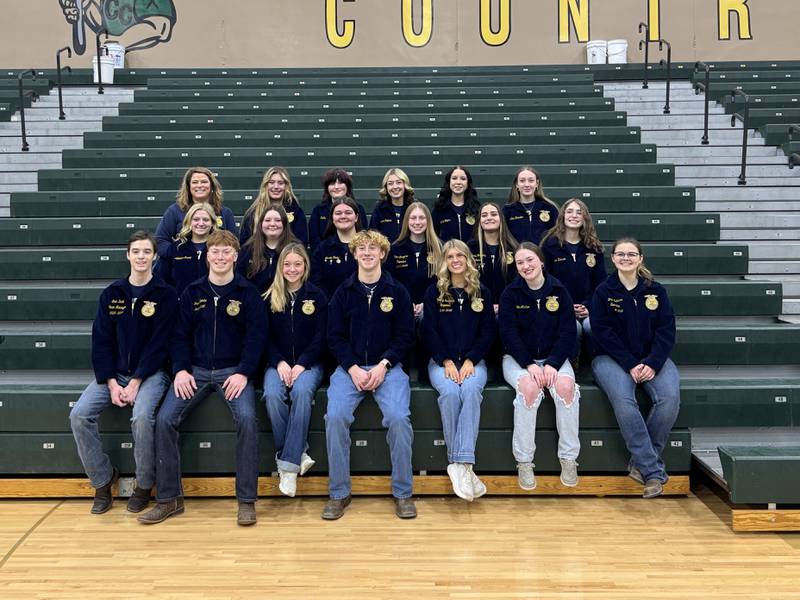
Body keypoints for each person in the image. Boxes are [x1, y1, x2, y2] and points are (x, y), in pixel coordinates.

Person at [139, 230, 266, 526]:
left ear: (235, 256)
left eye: (226, 252)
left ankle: (246, 501)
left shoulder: (247, 294)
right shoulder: (193, 292)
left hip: (233, 372)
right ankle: (169, 499)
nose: (220, 257)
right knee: (165, 420)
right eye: (215, 252)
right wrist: (181, 369)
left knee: (247, 420)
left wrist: (244, 372)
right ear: (207, 256)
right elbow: (179, 336)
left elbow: (256, 338)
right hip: (194, 371)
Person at [69, 231, 177, 514]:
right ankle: (103, 481)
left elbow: (160, 345)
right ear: (127, 256)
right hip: (113, 375)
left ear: (154, 257)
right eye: (136, 252)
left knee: (141, 417)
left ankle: (143, 485)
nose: (141, 257)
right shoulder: (112, 294)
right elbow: (101, 341)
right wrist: (113, 382)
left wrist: (137, 380)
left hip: (151, 374)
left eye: (146, 252)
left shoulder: (165, 295)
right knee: (79, 415)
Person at [324, 230, 416, 520]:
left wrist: (383, 365)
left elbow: (405, 336)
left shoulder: (397, 291)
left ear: (382, 254)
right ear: (353, 255)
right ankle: (339, 493)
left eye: (372, 248)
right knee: (335, 418)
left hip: (386, 369)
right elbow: (334, 336)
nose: (366, 253)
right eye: (361, 248)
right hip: (348, 369)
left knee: (400, 420)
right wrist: (351, 367)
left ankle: (403, 493)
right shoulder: (343, 292)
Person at [590, 238, 680, 499]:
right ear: (614, 258)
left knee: (670, 398)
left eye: (631, 254)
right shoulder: (603, 292)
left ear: (640, 258)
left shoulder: (656, 291)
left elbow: (666, 330)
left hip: (653, 358)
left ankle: (640, 463)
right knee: (625, 401)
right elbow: (602, 333)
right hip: (611, 359)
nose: (626, 258)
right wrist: (630, 363)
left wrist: (652, 362)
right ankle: (652, 471)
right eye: (621, 254)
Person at [498, 243, 580, 491]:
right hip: (518, 360)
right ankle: (524, 461)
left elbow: (568, 332)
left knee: (566, 388)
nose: (526, 266)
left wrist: (553, 364)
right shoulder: (510, 294)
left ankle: (569, 457)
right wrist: (530, 365)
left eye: (530, 260)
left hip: (553, 358)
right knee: (529, 389)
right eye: (520, 262)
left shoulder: (559, 290)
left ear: (541, 261)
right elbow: (508, 335)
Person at [422, 240, 496, 501]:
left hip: (474, 362)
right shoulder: (434, 292)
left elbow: (488, 332)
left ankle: (458, 464)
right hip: (441, 363)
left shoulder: (482, 293)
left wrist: (471, 360)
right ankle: (464, 466)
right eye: (450, 256)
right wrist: (446, 361)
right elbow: (428, 331)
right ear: (444, 261)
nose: (455, 260)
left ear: (468, 260)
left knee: (473, 391)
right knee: (451, 393)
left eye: (460, 256)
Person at [263, 243, 328, 497]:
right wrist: (279, 362)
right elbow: (263, 337)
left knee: (301, 391)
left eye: (297, 264)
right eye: (287, 264)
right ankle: (296, 454)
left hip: (309, 364)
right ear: (280, 267)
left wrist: (301, 363)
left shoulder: (318, 296)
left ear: (305, 266)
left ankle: (287, 468)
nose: (292, 269)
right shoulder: (269, 297)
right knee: (271, 394)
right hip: (276, 364)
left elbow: (321, 336)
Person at [540, 198, 607, 339]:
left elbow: (600, 284)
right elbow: (545, 282)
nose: (574, 216)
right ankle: (573, 359)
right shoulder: (549, 246)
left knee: (592, 326)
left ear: (585, 218)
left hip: (588, 308)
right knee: (573, 328)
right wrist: (567, 306)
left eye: (579, 212)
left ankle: (594, 358)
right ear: (563, 216)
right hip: (559, 307)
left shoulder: (594, 247)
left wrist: (588, 307)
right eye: (569, 211)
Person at [155, 167, 236, 258]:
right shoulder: (174, 211)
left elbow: (234, 243)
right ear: (188, 187)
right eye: (195, 182)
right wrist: (178, 255)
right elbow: (160, 240)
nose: (200, 185)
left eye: (204, 182)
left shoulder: (225, 212)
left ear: (212, 186)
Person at [387, 201, 442, 319]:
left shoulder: (440, 248)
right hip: (401, 307)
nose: (417, 222)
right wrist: (406, 302)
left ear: (428, 221)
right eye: (413, 218)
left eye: (422, 218)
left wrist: (427, 303)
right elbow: (391, 281)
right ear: (407, 221)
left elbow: (443, 281)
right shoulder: (395, 249)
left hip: (433, 309)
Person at [155, 202, 216, 296]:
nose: (201, 223)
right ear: (189, 222)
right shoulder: (175, 249)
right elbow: (161, 281)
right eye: (196, 219)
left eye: (206, 219)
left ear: (212, 223)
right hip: (181, 307)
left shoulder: (219, 249)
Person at [468, 201, 518, 312]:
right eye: (484, 215)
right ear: (479, 221)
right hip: (478, 308)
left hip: (508, 308)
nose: (489, 218)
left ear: (501, 219)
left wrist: (504, 304)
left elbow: (517, 282)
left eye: (494, 214)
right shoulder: (470, 249)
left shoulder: (514, 248)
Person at [237, 204, 299, 294]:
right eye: (267, 220)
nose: (272, 224)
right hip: (254, 301)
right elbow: (240, 279)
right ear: (261, 224)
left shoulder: (295, 248)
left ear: (284, 223)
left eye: (278, 220)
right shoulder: (247, 249)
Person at [239, 166, 308, 247]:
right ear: (265, 185)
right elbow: (244, 244)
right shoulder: (253, 213)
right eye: (271, 182)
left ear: (286, 186)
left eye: (280, 183)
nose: (276, 187)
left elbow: (301, 244)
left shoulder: (296, 212)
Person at [310, 197, 361, 300]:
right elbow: (316, 281)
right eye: (338, 213)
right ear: (332, 219)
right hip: (330, 307)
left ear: (356, 217)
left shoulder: (368, 246)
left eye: (348, 212)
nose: (343, 216)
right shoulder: (322, 249)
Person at [309, 168, 368, 250]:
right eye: (332, 183)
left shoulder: (359, 209)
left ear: (347, 186)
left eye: (340, 183)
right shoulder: (318, 210)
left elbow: (363, 235)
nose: (336, 187)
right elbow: (314, 239)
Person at [502, 166, 559, 245]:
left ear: (537, 184)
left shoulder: (550, 208)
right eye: (522, 181)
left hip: (544, 256)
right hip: (518, 255)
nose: (527, 184)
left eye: (531, 181)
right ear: (516, 185)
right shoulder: (507, 210)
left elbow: (557, 236)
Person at [432, 166, 480, 243]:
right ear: (449, 182)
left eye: (463, 179)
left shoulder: (476, 209)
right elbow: (433, 235)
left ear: (468, 183)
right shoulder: (439, 209)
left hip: (471, 254)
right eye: (454, 178)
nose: (458, 182)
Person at [369, 168, 416, 242]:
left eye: (398, 182)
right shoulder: (379, 210)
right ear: (386, 187)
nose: (395, 187)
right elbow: (372, 237)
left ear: (405, 185)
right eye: (390, 183)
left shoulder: (414, 208)